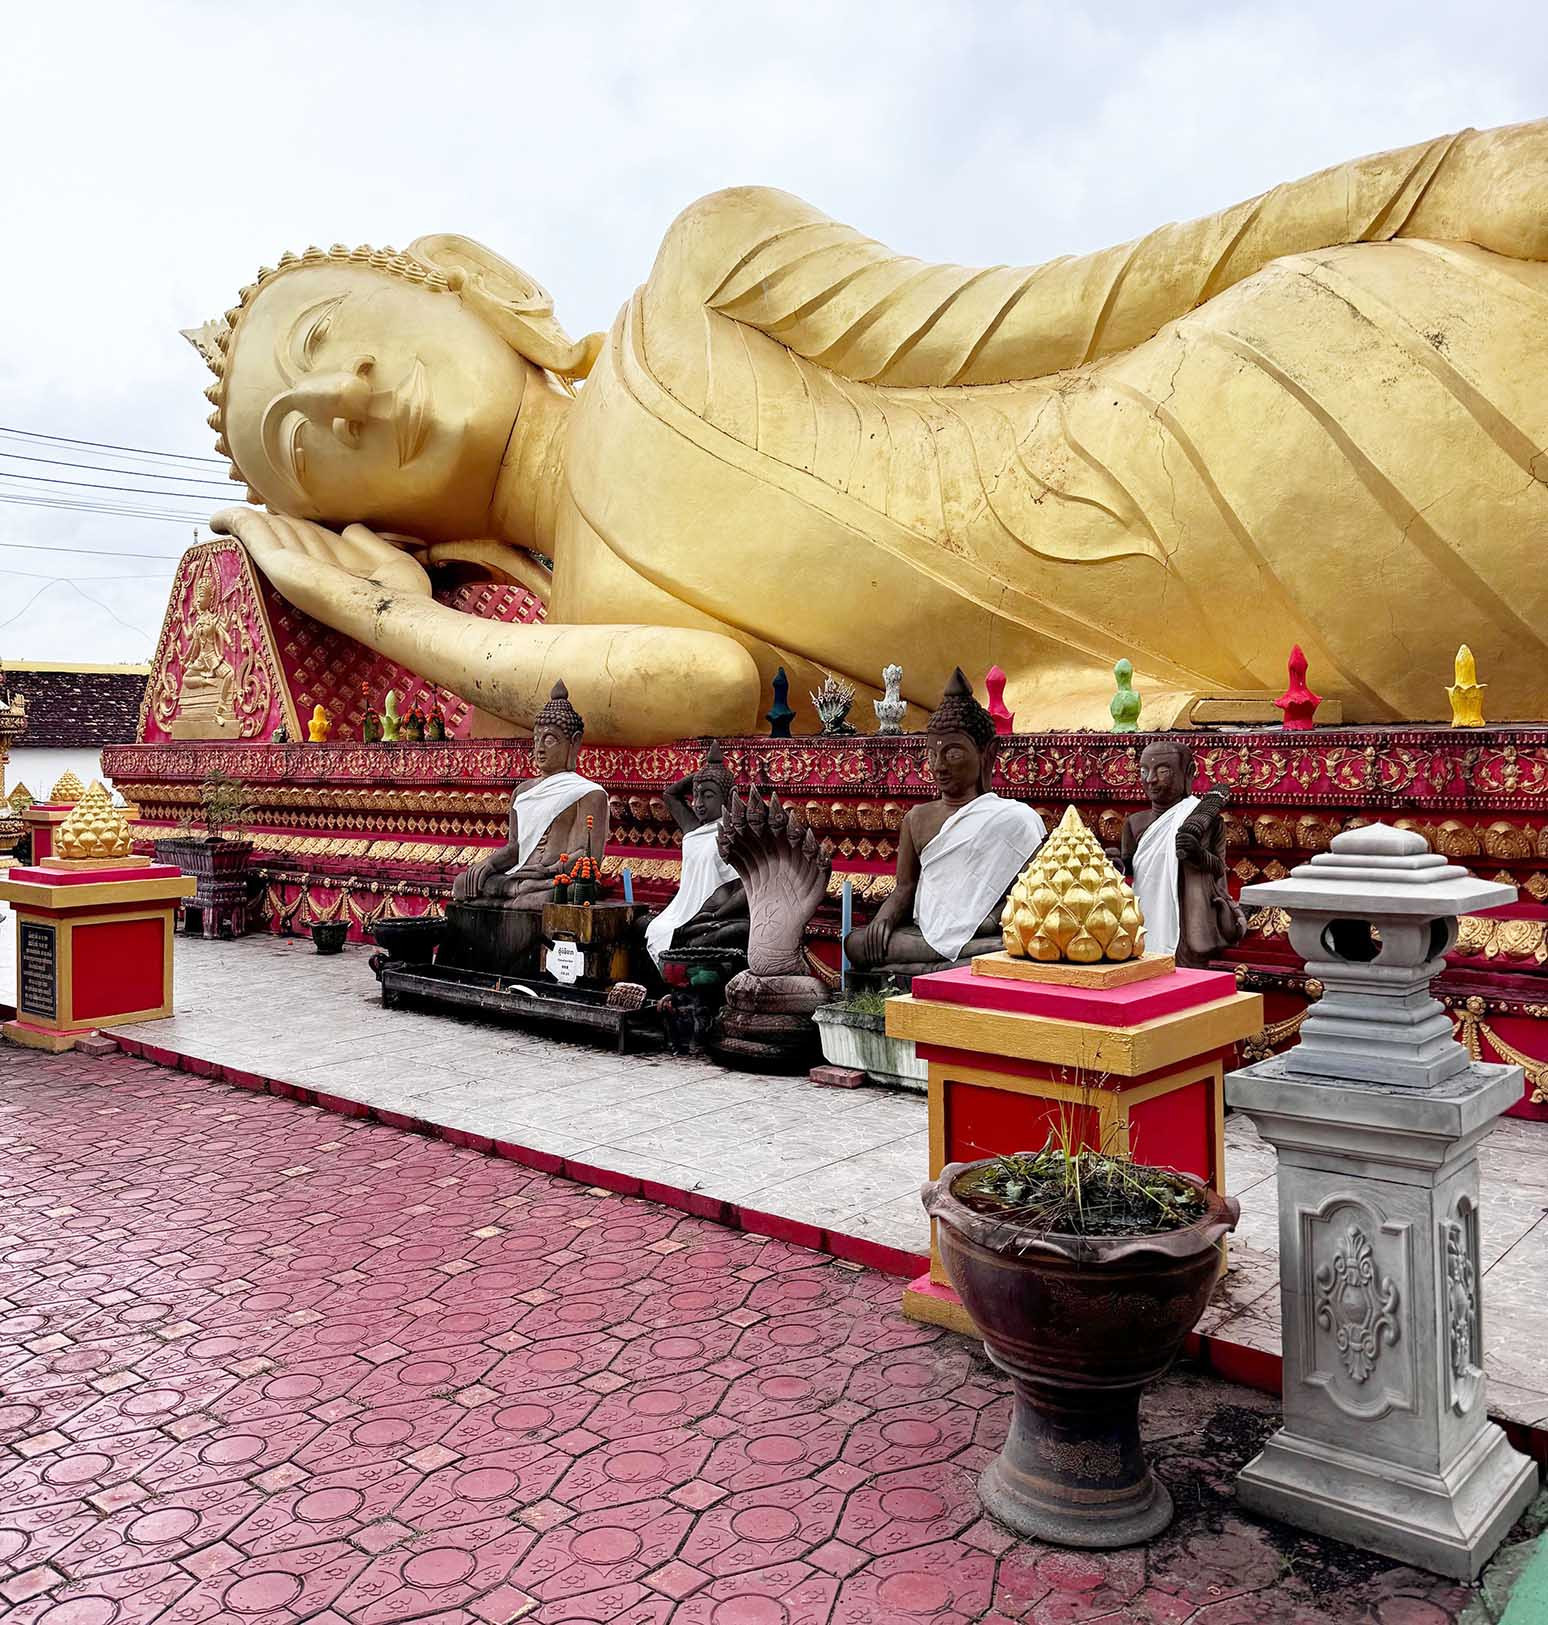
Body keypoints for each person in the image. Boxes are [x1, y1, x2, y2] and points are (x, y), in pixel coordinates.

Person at [191, 120, 1548, 741]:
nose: (347, 396)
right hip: (1221, 648)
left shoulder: (701, 277)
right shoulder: (600, 615)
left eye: (330, 339)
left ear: (464, 278)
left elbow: (1069, 310)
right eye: (307, 445)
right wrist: (391, 623)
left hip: (1275, 400)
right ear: (372, 525)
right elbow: (710, 694)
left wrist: (1434, 184)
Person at [846, 670, 1045, 975]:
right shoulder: (917, 818)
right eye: (932, 753)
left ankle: (937, 966)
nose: (939, 765)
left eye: (953, 753)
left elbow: (1027, 893)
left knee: (1014, 942)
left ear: (986, 754)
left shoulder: (1017, 819)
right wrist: (883, 919)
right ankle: (952, 965)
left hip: (984, 931)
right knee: (856, 944)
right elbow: (905, 887)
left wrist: (988, 920)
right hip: (927, 931)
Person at [451, 680, 608, 906]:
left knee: (568, 891)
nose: (540, 748)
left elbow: (588, 857)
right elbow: (515, 847)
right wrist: (490, 864)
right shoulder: (523, 792)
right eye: (536, 739)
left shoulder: (588, 793)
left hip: (551, 879)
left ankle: (517, 896)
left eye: (550, 739)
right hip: (522, 876)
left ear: (574, 743)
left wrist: (548, 870)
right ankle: (516, 894)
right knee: (462, 884)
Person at [1117, 740, 1246, 966]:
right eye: (1144, 771)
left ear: (1187, 773)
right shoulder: (1135, 823)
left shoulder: (1204, 819)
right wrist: (1114, 863)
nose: (1151, 779)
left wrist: (1197, 854)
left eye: (1163, 771)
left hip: (1189, 915)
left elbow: (1218, 868)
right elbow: (1129, 868)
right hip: (1147, 912)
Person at [645, 745, 748, 964]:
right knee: (643, 925)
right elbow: (670, 794)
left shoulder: (738, 833)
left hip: (722, 913)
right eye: (696, 796)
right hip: (688, 911)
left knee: (731, 933)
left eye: (708, 796)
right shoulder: (694, 828)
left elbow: (749, 887)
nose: (698, 804)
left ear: (729, 796)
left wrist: (716, 915)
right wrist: (704, 773)